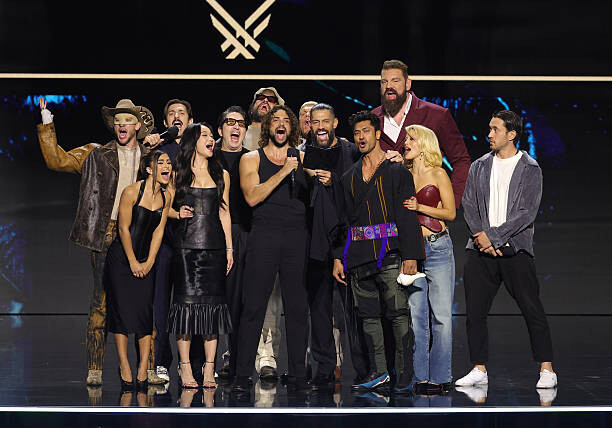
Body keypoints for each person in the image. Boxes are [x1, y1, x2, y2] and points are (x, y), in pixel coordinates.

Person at [35, 98, 167, 387]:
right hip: (107, 232)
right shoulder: (96, 154)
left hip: (140, 232)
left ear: (137, 125)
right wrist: (47, 121)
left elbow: (171, 177)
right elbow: (57, 160)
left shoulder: (150, 156)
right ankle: (95, 368)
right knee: (102, 301)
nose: (121, 125)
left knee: (144, 302)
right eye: (117, 121)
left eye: (127, 120)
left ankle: (148, 368)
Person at [455, 110, 557, 389]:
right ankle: (479, 368)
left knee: (531, 308)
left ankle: (547, 368)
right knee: (475, 312)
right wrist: (483, 239)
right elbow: (469, 205)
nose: (489, 134)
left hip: (515, 250)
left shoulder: (530, 168)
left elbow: (526, 212)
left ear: (511, 134)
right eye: (489, 129)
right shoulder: (479, 166)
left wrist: (494, 238)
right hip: (480, 250)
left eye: (495, 129)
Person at [331, 110, 424, 393]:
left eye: (366, 131)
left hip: (391, 253)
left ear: (378, 134)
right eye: (357, 133)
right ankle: (379, 372)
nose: (361, 137)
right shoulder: (348, 177)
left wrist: (411, 255)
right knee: (368, 317)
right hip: (359, 257)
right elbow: (342, 221)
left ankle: (405, 374)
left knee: (398, 313)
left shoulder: (397, 171)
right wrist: (338, 256)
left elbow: (407, 215)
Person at [232, 105, 311, 393]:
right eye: (275, 119)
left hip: (296, 237)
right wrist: (284, 171)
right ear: (268, 127)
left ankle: (299, 376)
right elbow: (252, 197)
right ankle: (242, 376)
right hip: (263, 235)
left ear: (292, 127)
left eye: (286, 120)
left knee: (297, 308)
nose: (281, 124)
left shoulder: (304, 158)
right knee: (253, 306)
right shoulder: (251, 158)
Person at [166, 122, 233, 389]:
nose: (211, 139)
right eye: (204, 135)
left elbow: (224, 212)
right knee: (185, 308)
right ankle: (184, 367)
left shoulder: (221, 174)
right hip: (186, 249)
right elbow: (163, 207)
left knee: (212, 310)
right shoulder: (178, 174)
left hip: (214, 249)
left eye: (211, 135)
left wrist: (229, 248)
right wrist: (177, 213)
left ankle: (209, 369)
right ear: (193, 141)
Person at [105, 150, 172, 390]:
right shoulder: (132, 191)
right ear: (149, 169)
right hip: (122, 260)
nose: (166, 166)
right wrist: (133, 261)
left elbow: (159, 231)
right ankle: (124, 364)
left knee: (145, 315)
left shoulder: (167, 196)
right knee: (122, 314)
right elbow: (123, 229)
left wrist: (150, 261)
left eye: (169, 162)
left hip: (146, 260)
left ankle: (143, 367)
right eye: (161, 162)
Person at [402, 124, 456, 394]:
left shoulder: (438, 173)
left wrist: (420, 206)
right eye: (405, 138)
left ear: (424, 144)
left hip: (438, 248)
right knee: (417, 318)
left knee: (442, 317)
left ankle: (441, 377)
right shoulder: (402, 174)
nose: (406, 142)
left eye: (411, 139)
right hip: (412, 250)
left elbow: (450, 213)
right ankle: (420, 376)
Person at [143, 98, 194, 383]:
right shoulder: (158, 150)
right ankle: (161, 360)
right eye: (171, 113)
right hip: (163, 236)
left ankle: (192, 362)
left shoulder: (199, 147)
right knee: (160, 301)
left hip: (191, 236)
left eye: (182, 113)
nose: (177, 116)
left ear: (190, 120)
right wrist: (149, 146)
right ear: (165, 123)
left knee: (191, 302)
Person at [372, 59, 470, 207]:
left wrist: (452, 202)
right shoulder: (372, 119)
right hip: (382, 210)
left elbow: (461, 160)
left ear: (408, 84)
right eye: (384, 82)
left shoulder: (436, 115)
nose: (389, 86)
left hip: (424, 211)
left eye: (395, 81)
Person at [243, 87, 285, 151]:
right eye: (261, 97)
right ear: (252, 106)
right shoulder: (239, 132)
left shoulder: (283, 136)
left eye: (271, 99)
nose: (265, 100)